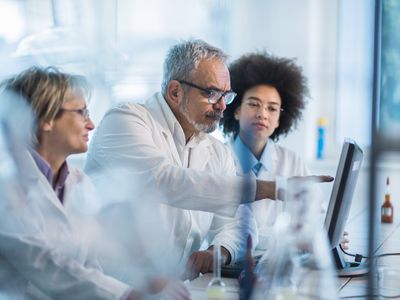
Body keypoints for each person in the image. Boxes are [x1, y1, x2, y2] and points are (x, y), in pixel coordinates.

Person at [84, 39, 333, 280]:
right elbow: (165, 181)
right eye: (213, 93)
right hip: (113, 287)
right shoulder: (125, 120)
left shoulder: (215, 150)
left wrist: (218, 252)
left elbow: (240, 223)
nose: (222, 106)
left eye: (227, 95)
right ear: (175, 92)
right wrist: (270, 188)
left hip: (175, 288)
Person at [0, 66, 190, 300]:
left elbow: (93, 263)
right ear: (46, 119)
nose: (90, 124)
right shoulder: (7, 186)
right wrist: (128, 294)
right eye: (81, 112)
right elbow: (43, 263)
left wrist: (146, 282)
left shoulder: (79, 183)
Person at [221, 52, 349, 251]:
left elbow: (317, 215)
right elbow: (225, 230)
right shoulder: (218, 158)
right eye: (254, 104)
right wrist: (297, 239)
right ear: (236, 110)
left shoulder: (291, 161)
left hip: (281, 264)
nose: (262, 114)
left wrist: (329, 233)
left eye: (272, 109)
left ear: (280, 119)